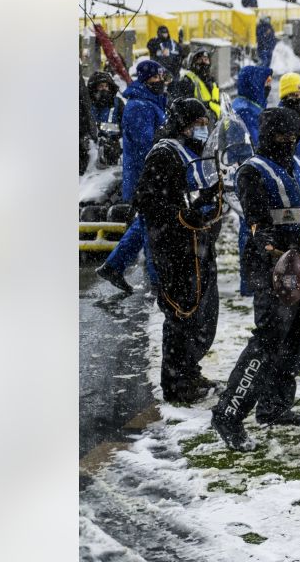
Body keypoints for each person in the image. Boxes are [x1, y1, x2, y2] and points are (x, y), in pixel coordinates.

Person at [212, 108, 300, 451]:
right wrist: (271, 247)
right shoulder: (253, 170)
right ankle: (229, 414)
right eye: (284, 136)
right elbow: (256, 219)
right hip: (275, 269)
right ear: (269, 136)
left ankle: (275, 406)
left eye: (295, 136)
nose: (291, 141)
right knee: (267, 342)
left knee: (297, 340)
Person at [134, 99, 222, 404]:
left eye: (205, 122)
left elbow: (199, 191)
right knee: (181, 314)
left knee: (202, 314)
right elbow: (146, 201)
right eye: (196, 122)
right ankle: (176, 383)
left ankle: (189, 370)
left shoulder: (198, 153)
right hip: (175, 248)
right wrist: (181, 216)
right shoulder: (164, 153)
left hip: (199, 244)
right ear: (182, 124)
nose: (202, 128)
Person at [95, 61, 169, 295]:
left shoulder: (149, 103)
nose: (161, 82)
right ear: (147, 80)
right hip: (146, 178)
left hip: (151, 176)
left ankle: (114, 266)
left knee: (144, 224)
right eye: (157, 78)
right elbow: (146, 144)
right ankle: (157, 282)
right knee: (151, 227)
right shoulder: (139, 107)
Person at [231, 65, 273, 294]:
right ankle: (249, 284)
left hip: (254, 175)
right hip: (251, 177)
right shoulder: (245, 111)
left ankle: (252, 282)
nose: (269, 86)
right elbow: (251, 146)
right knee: (251, 228)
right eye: (266, 81)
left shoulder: (252, 106)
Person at [86, 71, 124, 167]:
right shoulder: (86, 105)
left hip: (112, 151)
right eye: (101, 86)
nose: (104, 89)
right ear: (94, 89)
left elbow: (125, 127)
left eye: (106, 86)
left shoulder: (118, 104)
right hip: (90, 152)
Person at [170, 49, 220, 119]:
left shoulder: (213, 81)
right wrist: (207, 105)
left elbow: (218, 102)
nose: (203, 63)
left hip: (216, 123)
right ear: (193, 63)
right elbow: (185, 105)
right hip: (198, 123)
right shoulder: (187, 80)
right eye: (200, 60)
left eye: (206, 60)